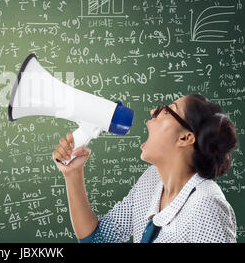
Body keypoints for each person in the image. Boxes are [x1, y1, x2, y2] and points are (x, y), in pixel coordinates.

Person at [52, 94, 238, 243]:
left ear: (185, 138)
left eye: (166, 111)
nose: (152, 112)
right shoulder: (152, 180)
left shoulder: (207, 205)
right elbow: (98, 239)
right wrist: (73, 174)